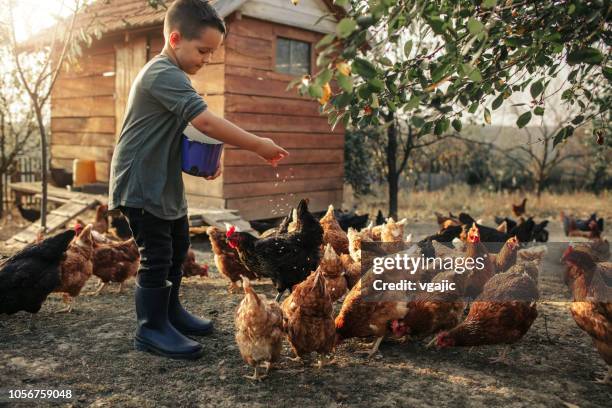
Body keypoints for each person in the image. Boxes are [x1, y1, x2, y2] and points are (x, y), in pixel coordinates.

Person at [108, 0, 288, 360]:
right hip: (141, 184)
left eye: (211, 52)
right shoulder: (162, 73)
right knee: (156, 256)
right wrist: (257, 145)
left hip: (163, 183)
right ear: (175, 38)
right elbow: (205, 121)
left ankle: (170, 313)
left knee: (176, 249)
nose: (206, 58)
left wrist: (201, 161)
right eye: (203, 50)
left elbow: (177, 130)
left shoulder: (173, 77)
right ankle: (150, 328)